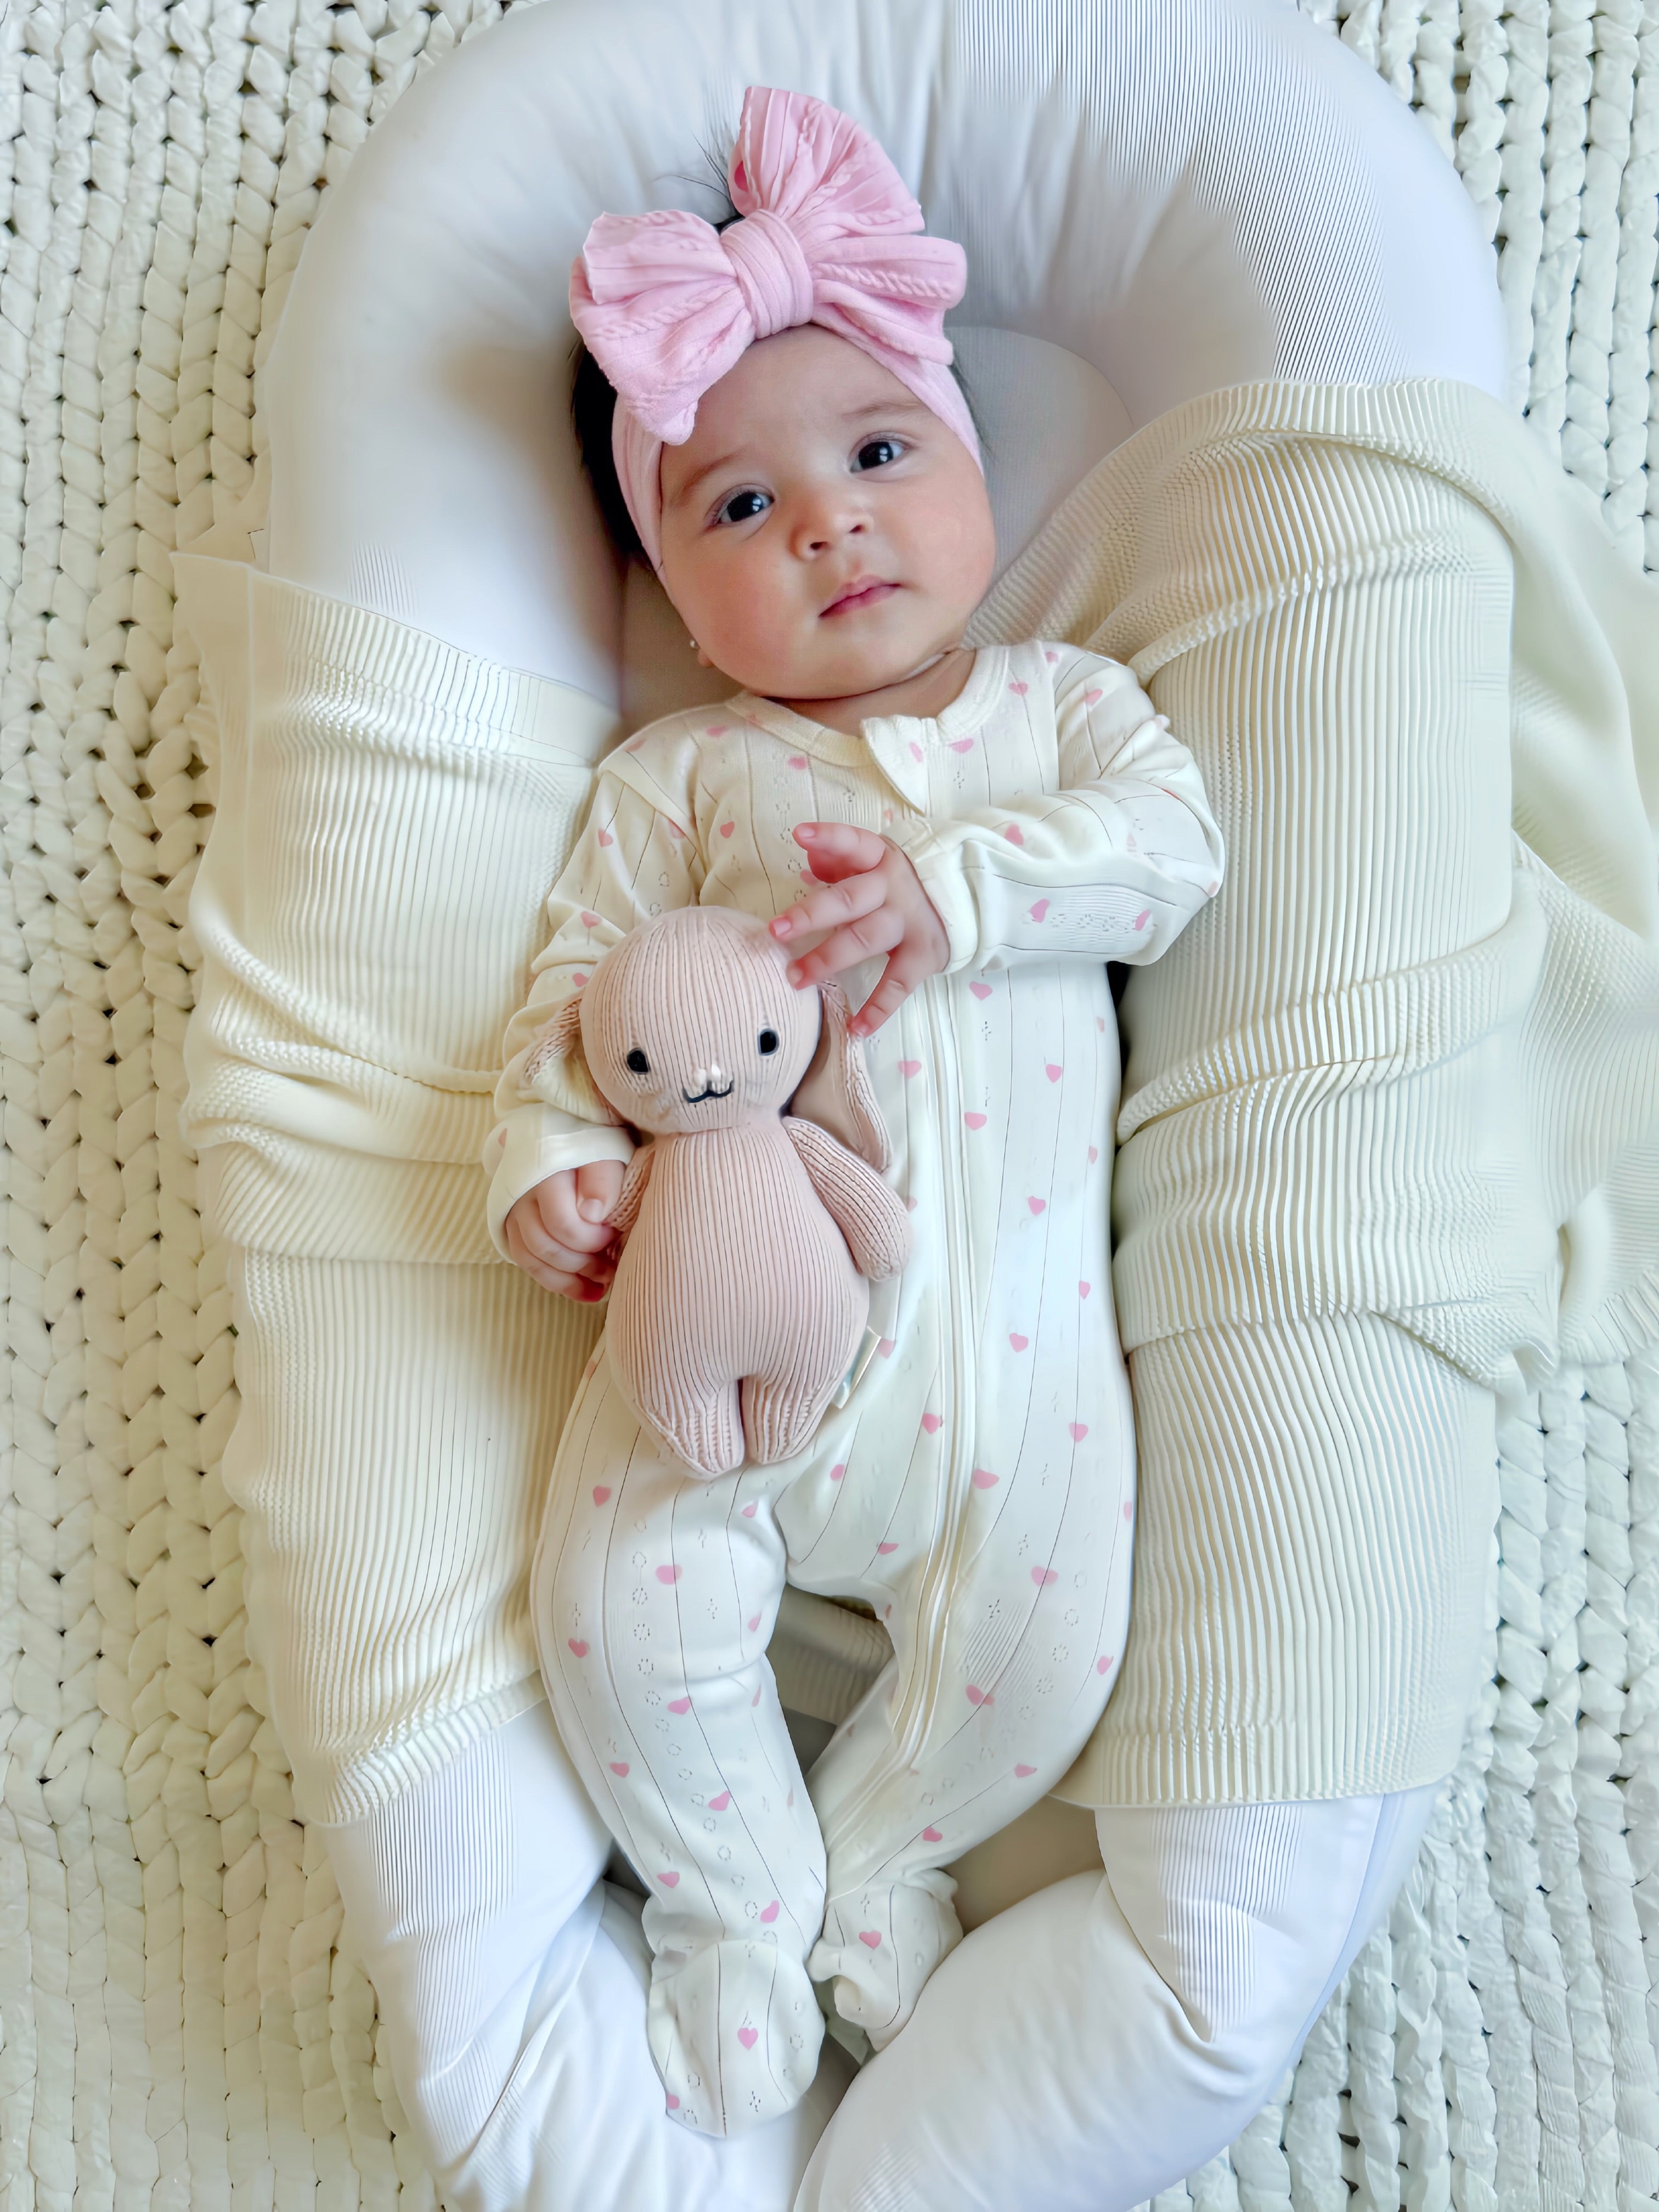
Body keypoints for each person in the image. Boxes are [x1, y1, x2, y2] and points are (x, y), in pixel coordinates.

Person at [487, 84, 1223, 2137]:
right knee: (611, 1598)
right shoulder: (685, 782)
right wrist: (550, 1160)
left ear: (973, 467)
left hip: (1014, 1373)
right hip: (731, 1341)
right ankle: (733, 1895)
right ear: (665, 580)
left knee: (1049, 1639)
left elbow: (1175, 857)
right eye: (736, 507)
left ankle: (886, 1857)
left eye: (882, 454)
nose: (828, 523)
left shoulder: (1062, 714)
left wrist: (965, 888)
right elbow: (571, 994)